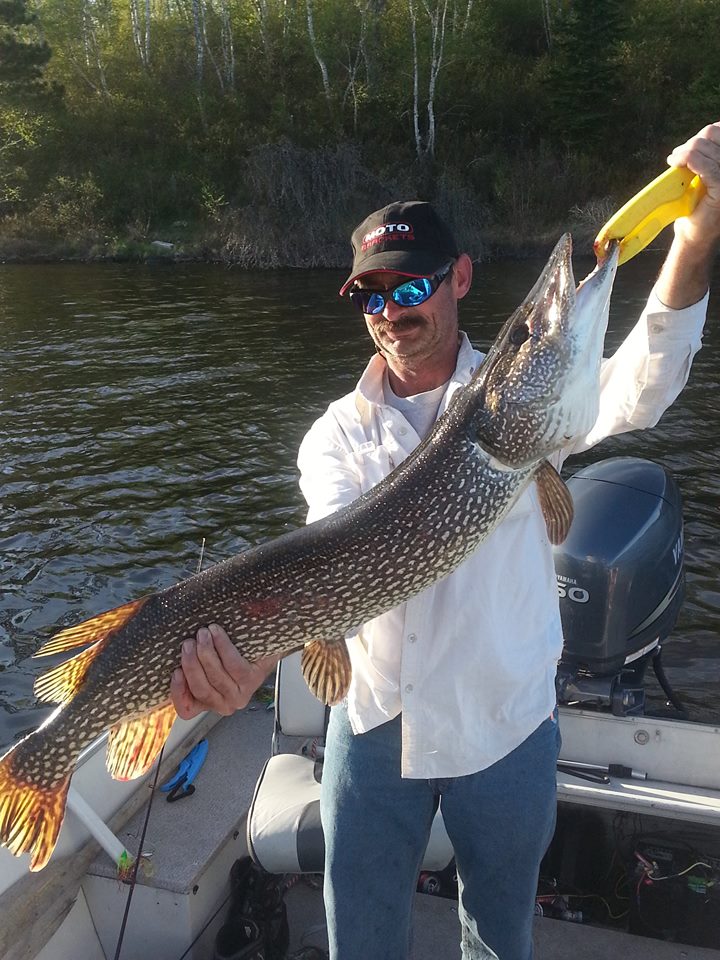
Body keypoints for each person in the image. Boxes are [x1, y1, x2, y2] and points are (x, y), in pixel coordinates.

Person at [170, 122, 720, 960]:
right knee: (361, 934)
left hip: (505, 720)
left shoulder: (531, 417)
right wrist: (242, 660)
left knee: (499, 934)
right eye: (371, 296)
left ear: (459, 277)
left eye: (411, 287)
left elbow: (648, 379)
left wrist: (694, 238)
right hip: (373, 720)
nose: (392, 313)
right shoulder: (335, 436)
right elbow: (327, 554)